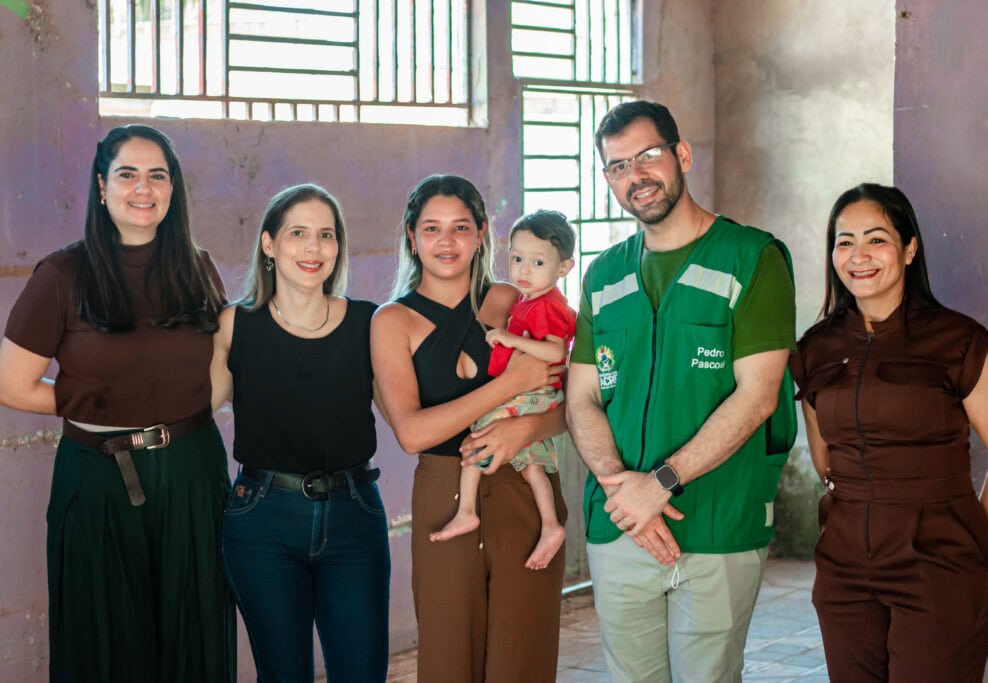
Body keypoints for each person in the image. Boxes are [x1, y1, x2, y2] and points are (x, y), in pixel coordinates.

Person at [565, 100, 798, 682]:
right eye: (617, 167)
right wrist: (627, 493)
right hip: (621, 525)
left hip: (718, 524)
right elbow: (582, 398)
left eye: (647, 156)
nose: (635, 176)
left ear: (681, 155)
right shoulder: (603, 275)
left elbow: (759, 395)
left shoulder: (753, 258)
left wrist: (660, 485)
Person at [0, 124, 235, 682]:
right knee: (104, 643)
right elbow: (12, 384)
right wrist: (100, 403)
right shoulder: (62, 275)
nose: (143, 188)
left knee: (194, 634)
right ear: (102, 187)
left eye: (158, 175)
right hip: (98, 479)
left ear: (173, 190)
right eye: (127, 174)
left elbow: (218, 372)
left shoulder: (196, 267)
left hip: (192, 473)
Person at [789, 183, 988, 682]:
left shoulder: (961, 343)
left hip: (939, 562)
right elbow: (825, 457)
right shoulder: (816, 348)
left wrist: (970, 541)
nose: (859, 256)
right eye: (844, 241)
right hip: (845, 566)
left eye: (876, 239)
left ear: (909, 248)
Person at [370, 174, 567, 682]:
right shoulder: (392, 321)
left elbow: (565, 401)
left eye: (460, 227)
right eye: (431, 228)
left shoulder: (511, 299)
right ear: (411, 236)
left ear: (482, 234)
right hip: (444, 494)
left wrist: (524, 431)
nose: (446, 241)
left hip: (524, 486)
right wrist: (507, 387)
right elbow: (412, 433)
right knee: (448, 658)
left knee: (521, 657)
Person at [210, 183, 389, 682]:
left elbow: (406, 416)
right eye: (298, 233)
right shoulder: (235, 324)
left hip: (355, 515)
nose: (314, 248)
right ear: (269, 244)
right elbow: (195, 408)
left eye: (326, 235)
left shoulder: (368, 322)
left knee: (361, 674)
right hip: (262, 518)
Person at [430, 209, 577, 571]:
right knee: (532, 467)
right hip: (532, 394)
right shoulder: (531, 300)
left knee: (478, 434)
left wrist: (510, 338)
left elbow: (556, 351)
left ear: (564, 268)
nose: (524, 270)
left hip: (532, 394)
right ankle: (551, 525)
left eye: (538, 261)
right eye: (517, 258)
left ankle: (466, 511)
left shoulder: (547, 306)